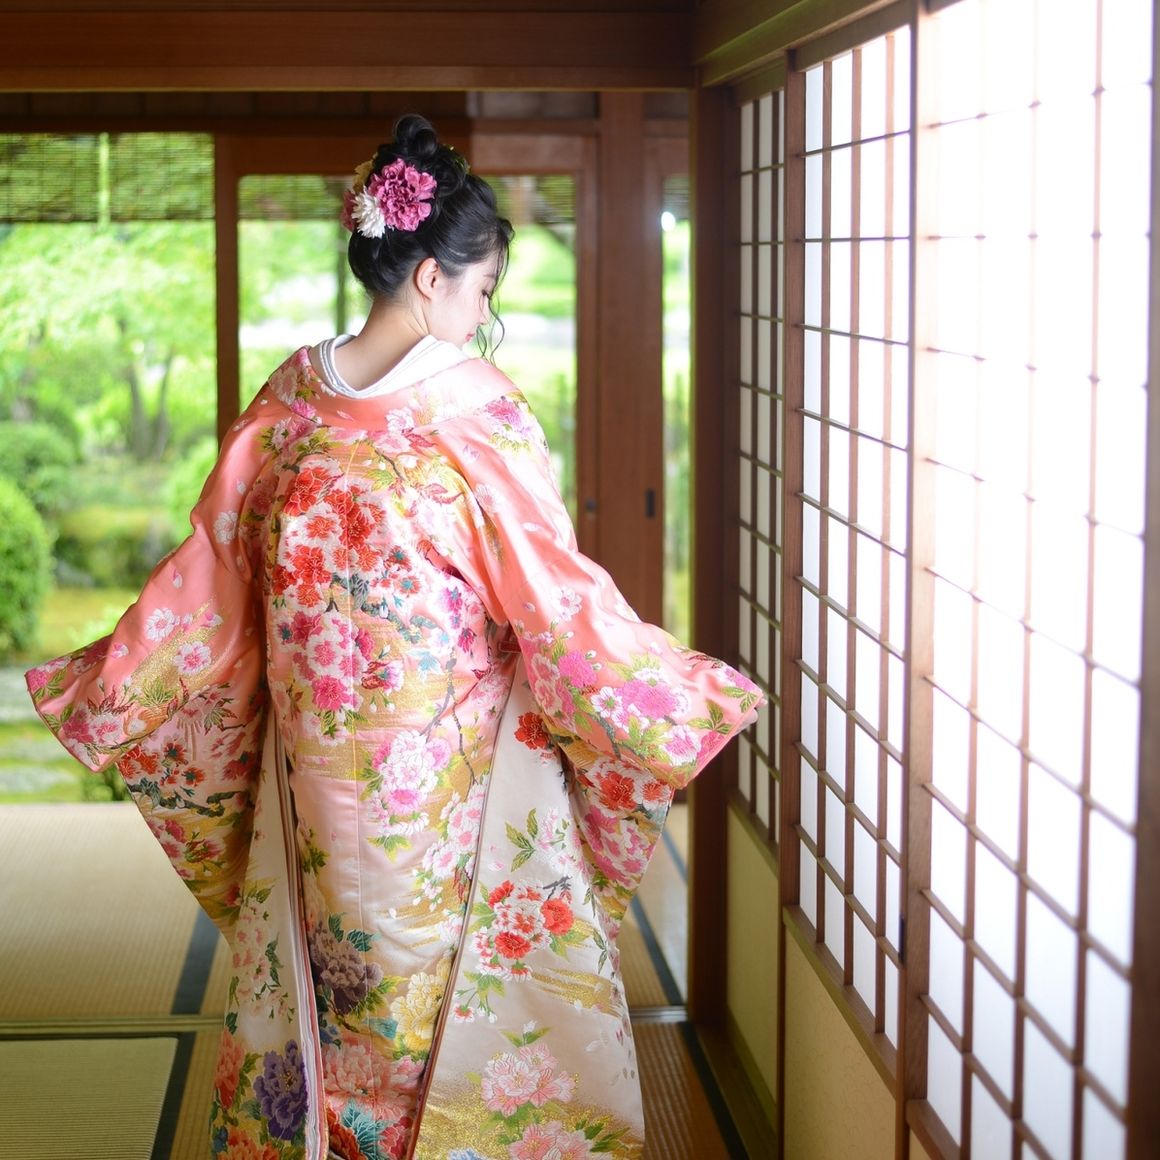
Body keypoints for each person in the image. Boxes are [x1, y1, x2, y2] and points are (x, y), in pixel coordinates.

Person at [27, 114, 762, 1160]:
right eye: (482, 289)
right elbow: (550, 594)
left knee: (335, 961)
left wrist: (120, 681)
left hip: (312, 762)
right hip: (444, 770)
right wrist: (664, 693)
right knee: (437, 964)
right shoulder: (474, 410)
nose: (483, 312)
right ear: (428, 277)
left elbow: (211, 571)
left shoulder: (291, 395)